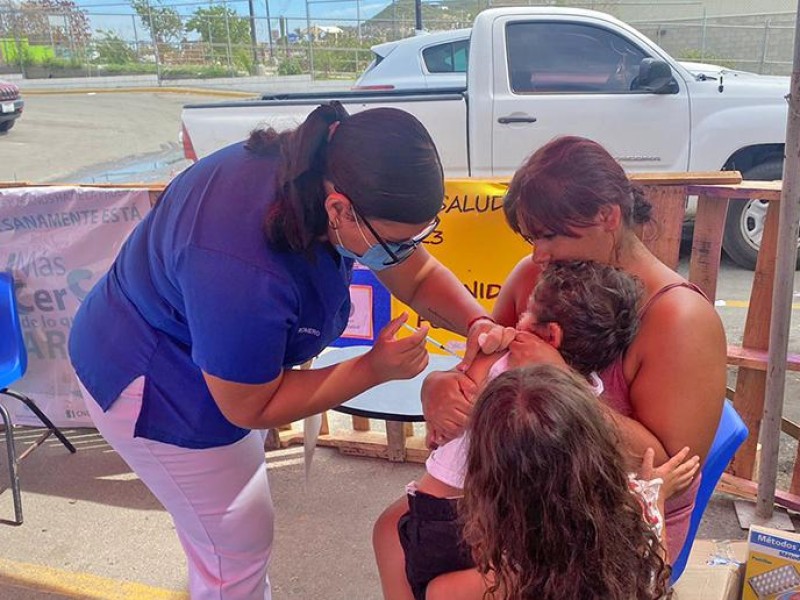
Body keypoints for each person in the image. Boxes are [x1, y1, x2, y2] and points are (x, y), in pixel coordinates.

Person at [68, 102, 505, 600]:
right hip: (155, 379)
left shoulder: (323, 172)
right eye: (397, 241)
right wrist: (372, 367)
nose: (405, 252)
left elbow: (420, 275)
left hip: (208, 353)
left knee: (231, 532)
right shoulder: (241, 266)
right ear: (338, 208)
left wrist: (479, 321)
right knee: (231, 550)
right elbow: (252, 405)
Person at [417, 135, 727, 564]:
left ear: (607, 217)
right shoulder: (534, 277)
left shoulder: (678, 318)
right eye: (530, 238)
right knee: (399, 535)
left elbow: (669, 470)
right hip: (518, 499)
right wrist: (438, 388)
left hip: (617, 524)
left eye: (548, 237)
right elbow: (486, 367)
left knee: (442, 574)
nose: (537, 255)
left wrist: (562, 382)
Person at [376, 260, 699, 599]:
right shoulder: (612, 559)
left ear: (490, 494)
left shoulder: (479, 584)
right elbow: (652, 568)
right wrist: (652, 500)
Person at [457, 365, 682, 600]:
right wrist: (653, 497)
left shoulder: (513, 574)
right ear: (602, 455)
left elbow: (438, 591)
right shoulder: (628, 544)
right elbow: (656, 575)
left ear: (489, 485)